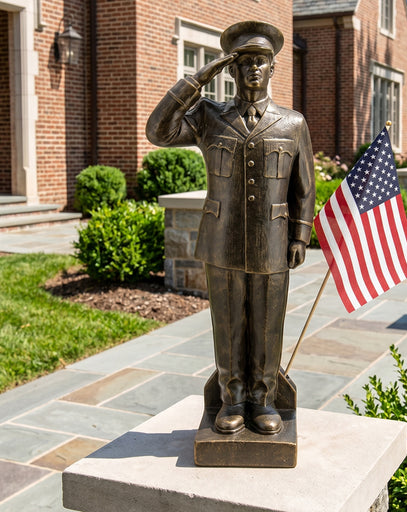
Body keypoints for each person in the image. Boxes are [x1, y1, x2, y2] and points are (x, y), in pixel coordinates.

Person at [146, 20, 315, 435]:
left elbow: (304, 187)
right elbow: (158, 131)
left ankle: (264, 398)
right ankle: (232, 398)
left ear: (274, 69)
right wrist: (197, 80)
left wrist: (299, 235)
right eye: (243, 63)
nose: (253, 69)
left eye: (261, 62)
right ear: (231, 70)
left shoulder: (292, 124)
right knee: (228, 325)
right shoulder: (208, 117)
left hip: (273, 243)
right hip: (221, 241)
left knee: (267, 324)